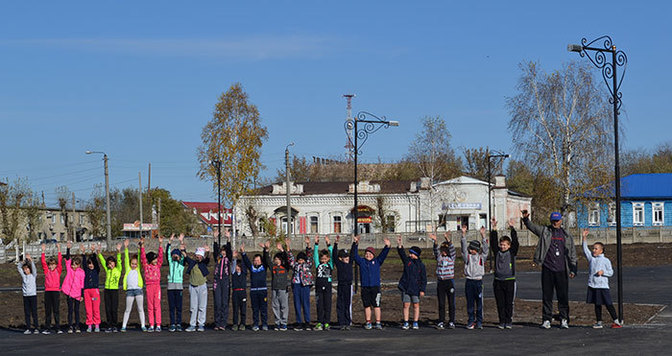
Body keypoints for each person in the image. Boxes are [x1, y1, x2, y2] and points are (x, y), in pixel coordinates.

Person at [523, 210, 578, 329]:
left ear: (561, 221)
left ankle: (564, 319)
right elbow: (532, 227)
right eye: (553, 220)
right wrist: (526, 219)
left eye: (557, 220)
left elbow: (572, 252)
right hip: (548, 269)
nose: (555, 223)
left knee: (563, 296)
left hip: (562, 269)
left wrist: (573, 268)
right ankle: (546, 319)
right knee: (547, 296)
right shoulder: (545, 231)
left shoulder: (566, 235)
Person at [582, 230, 622, 329]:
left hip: (602, 286)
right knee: (597, 304)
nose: (593, 250)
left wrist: (603, 273)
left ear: (601, 250)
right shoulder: (592, 258)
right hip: (593, 285)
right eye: (593, 248)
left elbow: (611, 272)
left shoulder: (606, 260)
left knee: (608, 303)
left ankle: (616, 320)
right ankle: (599, 322)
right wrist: (584, 237)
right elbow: (585, 249)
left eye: (596, 249)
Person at [352, 234, 391, 330]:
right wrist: (355, 244)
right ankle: (368, 322)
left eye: (370, 253)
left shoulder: (377, 261)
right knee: (367, 305)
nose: (368, 255)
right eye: (366, 253)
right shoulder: (362, 262)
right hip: (365, 287)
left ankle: (378, 322)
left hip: (375, 287)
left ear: (373, 255)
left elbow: (383, 255)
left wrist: (387, 246)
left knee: (376, 305)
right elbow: (354, 255)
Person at [490, 218, 519, 329]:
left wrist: (512, 228)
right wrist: (494, 229)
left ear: (509, 246)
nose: (503, 247)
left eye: (505, 245)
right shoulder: (497, 252)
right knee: (500, 303)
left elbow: (516, 242)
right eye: (501, 245)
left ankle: (508, 321)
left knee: (508, 303)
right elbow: (493, 241)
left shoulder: (512, 253)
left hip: (509, 281)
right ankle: (502, 321)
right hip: (498, 281)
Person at [461, 225, 489, 330]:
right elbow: (463, 249)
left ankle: (479, 321)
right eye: (470, 248)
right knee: (470, 303)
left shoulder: (481, 257)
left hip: (478, 281)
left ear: (476, 249)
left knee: (479, 303)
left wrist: (483, 236)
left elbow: (486, 250)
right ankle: (471, 320)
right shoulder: (467, 257)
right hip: (469, 281)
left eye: (473, 249)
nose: (471, 250)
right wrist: (463, 235)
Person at [396, 236, 427, 330]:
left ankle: (415, 322)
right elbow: (402, 254)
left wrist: (422, 289)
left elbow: (424, 278)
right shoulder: (407, 262)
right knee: (406, 304)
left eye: (411, 253)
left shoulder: (421, 265)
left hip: (416, 288)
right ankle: (406, 322)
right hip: (406, 287)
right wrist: (399, 245)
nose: (410, 255)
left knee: (416, 305)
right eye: (409, 253)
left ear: (416, 254)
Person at [429, 231, 456, 330]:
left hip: (449, 282)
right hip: (441, 282)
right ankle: (441, 321)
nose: (443, 252)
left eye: (445, 250)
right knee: (441, 303)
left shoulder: (452, 258)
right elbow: (435, 251)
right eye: (442, 250)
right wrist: (435, 241)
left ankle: (452, 321)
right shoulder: (440, 258)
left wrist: (447, 239)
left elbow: (453, 249)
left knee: (451, 303)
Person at [242, 241, 270, 331]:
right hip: (254, 291)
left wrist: (265, 250)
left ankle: (264, 324)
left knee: (263, 309)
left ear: (261, 261)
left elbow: (266, 259)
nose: (256, 262)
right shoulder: (252, 268)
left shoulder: (264, 267)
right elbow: (246, 262)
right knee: (255, 309)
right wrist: (243, 252)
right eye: (255, 260)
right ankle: (256, 324)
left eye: (258, 260)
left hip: (263, 291)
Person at [287, 236, 314, 330]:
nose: (301, 261)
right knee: (297, 303)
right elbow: (290, 260)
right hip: (296, 285)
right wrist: (288, 248)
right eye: (299, 260)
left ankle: (307, 321)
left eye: (302, 260)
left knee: (306, 303)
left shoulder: (307, 265)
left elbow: (310, 256)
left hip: (305, 285)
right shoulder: (296, 265)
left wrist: (308, 245)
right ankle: (299, 321)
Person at [121, 238, 146, 332]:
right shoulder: (128, 269)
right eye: (132, 264)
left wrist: (140, 248)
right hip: (130, 291)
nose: (134, 265)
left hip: (138, 290)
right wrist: (126, 248)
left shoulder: (138, 269)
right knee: (127, 309)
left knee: (140, 309)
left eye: (135, 264)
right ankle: (124, 326)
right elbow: (126, 258)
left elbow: (140, 257)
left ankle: (143, 325)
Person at [184, 244, 210, 332]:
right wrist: (182, 245)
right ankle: (192, 324)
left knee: (202, 306)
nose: (198, 256)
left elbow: (207, 259)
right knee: (193, 307)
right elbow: (185, 256)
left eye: (200, 255)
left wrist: (208, 252)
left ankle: (201, 324)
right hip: (192, 286)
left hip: (202, 285)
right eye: (197, 255)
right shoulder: (192, 262)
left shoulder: (203, 263)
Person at [140, 236, 164, 332]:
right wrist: (142, 246)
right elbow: (143, 257)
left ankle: (158, 324)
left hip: (157, 286)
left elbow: (161, 257)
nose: (156, 260)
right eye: (154, 259)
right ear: (150, 260)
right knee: (150, 306)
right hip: (149, 286)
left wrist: (160, 245)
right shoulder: (146, 266)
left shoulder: (158, 265)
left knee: (157, 305)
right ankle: (151, 324)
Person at [98, 242, 122, 333]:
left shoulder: (118, 269)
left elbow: (119, 261)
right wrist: (99, 253)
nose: (110, 265)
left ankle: (115, 325)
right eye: (109, 264)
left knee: (114, 308)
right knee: (108, 308)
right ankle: (109, 325)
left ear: (114, 263)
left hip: (114, 290)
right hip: (107, 290)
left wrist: (118, 251)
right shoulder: (107, 270)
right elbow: (103, 262)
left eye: (112, 263)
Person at [63, 241, 85, 333]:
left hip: (77, 293)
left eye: (76, 264)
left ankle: (77, 326)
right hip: (69, 293)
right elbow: (67, 259)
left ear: (79, 265)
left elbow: (82, 284)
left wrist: (82, 295)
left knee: (77, 310)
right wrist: (68, 249)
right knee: (70, 310)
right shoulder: (69, 269)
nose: (74, 266)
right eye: (73, 264)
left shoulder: (81, 272)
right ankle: (70, 326)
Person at [332, 235, 354, 330]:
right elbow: (334, 255)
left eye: (347, 257)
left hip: (348, 286)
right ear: (341, 258)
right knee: (340, 304)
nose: (347, 258)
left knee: (347, 304)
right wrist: (336, 244)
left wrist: (354, 243)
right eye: (345, 257)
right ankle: (341, 322)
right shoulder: (339, 264)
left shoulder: (350, 263)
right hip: (341, 285)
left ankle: (347, 322)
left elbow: (353, 254)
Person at [212, 230, 233, 331]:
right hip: (217, 282)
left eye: (224, 251)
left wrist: (228, 239)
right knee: (218, 303)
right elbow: (215, 251)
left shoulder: (228, 258)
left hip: (225, 281)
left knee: (225, 302)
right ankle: (217, 322)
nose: (223, 252)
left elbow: (229, 251)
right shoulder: (218, 258)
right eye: (222, 251)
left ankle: (223, 323)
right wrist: (215, 239)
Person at [166, 234, 187, 332]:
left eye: (176, 255)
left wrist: (181, 242)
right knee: (171, 306)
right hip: (170, 286)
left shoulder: (181, 263)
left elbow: (184, 254)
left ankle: (178, 323)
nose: (175, 256)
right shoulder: (170, 262)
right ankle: (172, 323)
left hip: (179, 286)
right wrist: (170, 241)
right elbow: (167, 253)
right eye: (173, 255)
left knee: (179, 306)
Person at [41, 243, 63, 334]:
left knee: (56, 310)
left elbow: (60, 261)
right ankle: (48, 328)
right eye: (50, 265)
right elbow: (43, 262)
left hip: (56, 291)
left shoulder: (58, 270)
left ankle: (57, 328)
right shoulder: (46, 271)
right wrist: (43, 251)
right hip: (48, 292)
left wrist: (59, 249)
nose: (51, 266)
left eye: (53, 264)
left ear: (56, 265)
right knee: (48, 310)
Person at [313, 235, 334, 331]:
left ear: (328, 259)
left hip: (328, 287)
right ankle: (320, 322)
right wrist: (316, 244)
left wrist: (328, 244)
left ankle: (327, 322)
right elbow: (315, 256)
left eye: (325, 259)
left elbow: (332, 254)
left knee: (327, 305)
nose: (324, 261)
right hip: (319, 287)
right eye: (322, 259)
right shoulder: (318, 265)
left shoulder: (330, 265)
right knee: (320, 305)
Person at [272, 241, 291, 331]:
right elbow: (267, 261)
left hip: (283, 289)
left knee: (284, 306)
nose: (277, 261)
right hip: (274, 288)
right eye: (276, 259)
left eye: (279, 259)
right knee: (275, 306)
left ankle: (284, 323)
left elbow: (287, 259)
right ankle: (277, 322)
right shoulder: (274, 268)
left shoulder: (285, 267)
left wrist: (282, 250)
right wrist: (266, 250)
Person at [82, 244, 101, 333]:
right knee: (88, 308)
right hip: (87, 291)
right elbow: (83, 263)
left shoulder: (96, 270)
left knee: (95, 308)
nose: (91, 265)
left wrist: (93, 253)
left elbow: (96, 263)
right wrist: (83, 253)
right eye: (89, 264)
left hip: (94, 291)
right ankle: (89, 325)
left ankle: (96, 324)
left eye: (92, 263)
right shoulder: (86, 270)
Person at [17, 254, 38, 334]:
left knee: (34, 312)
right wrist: (22, 262)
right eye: (25, 269)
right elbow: (19, 268)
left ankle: (36, 327)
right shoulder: (24, 276)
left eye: (27, 269)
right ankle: (28, 328)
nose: (26, 270)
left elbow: (34, 269)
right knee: (27, 312)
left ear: (30, 269)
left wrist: (30, 260)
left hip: (33, 296)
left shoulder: (33, 276)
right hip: (25, 296)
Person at [231, 251, 247, 331]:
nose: (237, 268)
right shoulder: (233, 273)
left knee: (243, 309)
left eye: (238, 266)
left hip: (242, 292)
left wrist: (242, 253)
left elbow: (244, 265)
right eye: (236, 266)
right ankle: (235, 324)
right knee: (235, 309)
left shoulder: (244, 273)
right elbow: (233, 265)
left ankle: (243, 323)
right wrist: (234, 258)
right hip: (235, 293)